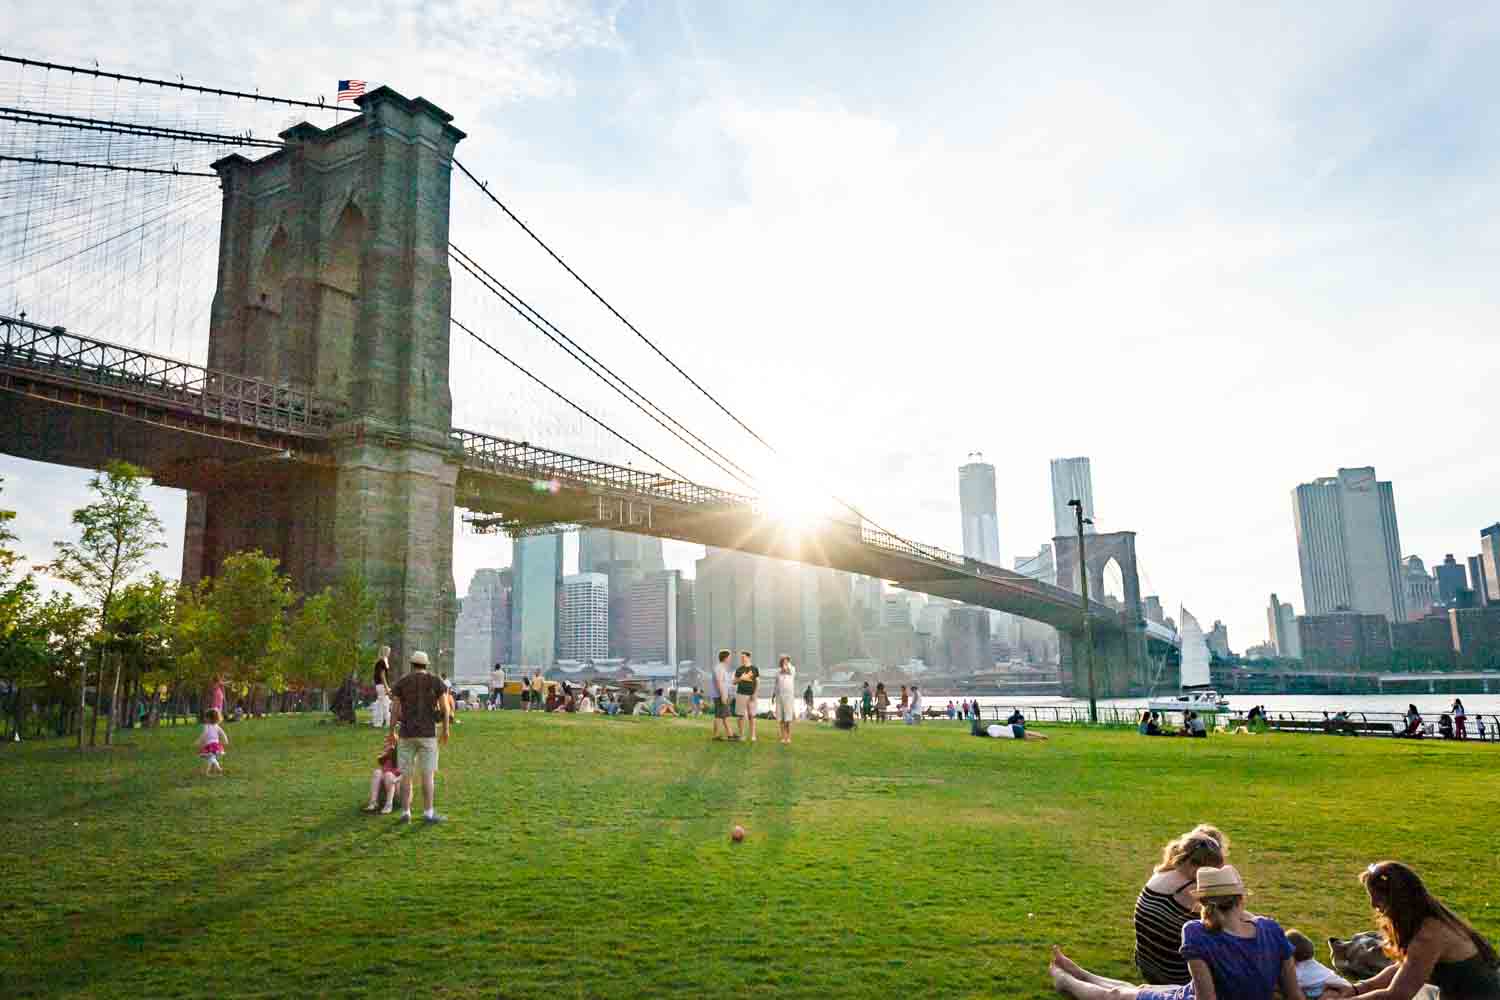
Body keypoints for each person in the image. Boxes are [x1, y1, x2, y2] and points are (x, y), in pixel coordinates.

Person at [1052, 864, 1304, 1000]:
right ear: (1241, 899)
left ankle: (1065, 980)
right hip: (1187, 993)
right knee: (1137, 989)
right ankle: (1077, 973)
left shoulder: (1197, 932)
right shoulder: (1271, 929)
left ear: (1202, 902)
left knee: (1117, 995)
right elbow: (1294, 995)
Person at [1322, 862, 1500, 1000]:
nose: (1373, 905)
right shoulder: (1429, 918)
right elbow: (1404, 968)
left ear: (1398, 899)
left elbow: (1398, 995)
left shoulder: (1428, 936)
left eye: (1377, 898)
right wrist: (1357, 989)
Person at [1133, 827, 1231, 986]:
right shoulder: (1190, 890)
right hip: (1174, 975)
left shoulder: (1162, 873)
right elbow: (1229, 928)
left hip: (1148, 965)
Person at [388, 650, 450, 824]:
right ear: (426, 665)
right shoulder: (435, 681)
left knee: (406, 776)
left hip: (406, 734)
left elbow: (395, 711)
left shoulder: (402, 682)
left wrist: (391, 731)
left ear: (411, 664)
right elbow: (445, 709)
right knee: (427, 775)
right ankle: (428, 813)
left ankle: (406, 812)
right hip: (427, 734)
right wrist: (445, 729)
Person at [1285, 929, 1349, 999]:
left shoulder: (1298, 970)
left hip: (1337, 989)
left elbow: (1290, 986)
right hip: (1342, 984)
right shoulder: (1312, 963)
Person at [362, 733, 402, 814]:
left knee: (389, 775)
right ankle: (373, 802)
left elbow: (406, 775)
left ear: (394, 744)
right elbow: (381, 774)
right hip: (387, 787)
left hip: (399, 789)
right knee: (377, 772)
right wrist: (385, 754)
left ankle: (389, 805)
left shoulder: (401, 757)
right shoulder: (385, 757)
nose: (384, 744)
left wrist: (395, 780)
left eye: (387, 742)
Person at [711, 649, 736, 742]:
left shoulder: (723, 668)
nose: (730, 659)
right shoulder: (719, 668)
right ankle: (718, 735)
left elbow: (726, 683)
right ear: (725, 658)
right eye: (729, 657)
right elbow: (719, 683)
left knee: (723, 715)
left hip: (722, 694)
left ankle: (729, 734)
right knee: (720, 715)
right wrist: (723, 695)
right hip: (720, 695)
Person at [734, 651, 759, 743]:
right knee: (741, 715)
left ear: (748, 657)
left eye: (743, 657)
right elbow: (734, 682)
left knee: (752, 715)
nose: (742, 659)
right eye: (741, 657)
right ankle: (741, 735)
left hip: (751, 695)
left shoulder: (754, 669)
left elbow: (757, 682)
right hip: (741, 694)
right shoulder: (739, 669)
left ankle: (753, 735)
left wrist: (755, 694)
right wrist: (741, 678)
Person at [198, 708, 228, 776]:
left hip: (210, 746)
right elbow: (223, 734)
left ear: (209, 718)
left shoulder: (207, 726)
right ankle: (214, 770)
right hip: (216, 746)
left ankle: (216, 769)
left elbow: (204, 734)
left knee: (211, 758)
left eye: (206, 717)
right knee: (212, 758)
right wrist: (226, 740)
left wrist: (199, 741)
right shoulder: (217, 726)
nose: (204, 719)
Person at [776, 656, 798, 744]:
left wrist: (786, 666)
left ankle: (788, 737)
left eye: (786, 661)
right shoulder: (778, 672)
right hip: (779, 696)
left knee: (788, 718)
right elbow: (776, 684)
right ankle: (783, 736)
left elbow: (788, 671)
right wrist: (774, 695)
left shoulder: (792, 669)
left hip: (789, 697)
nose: (785, 663)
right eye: (783, 661)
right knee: (781, 718)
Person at [371, 646, 392, 728]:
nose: (389, 653)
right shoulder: (382, 661)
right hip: (382, 685)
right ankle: (387, 722)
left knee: (381, 703)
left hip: (379, 685)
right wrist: (386, 687)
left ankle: (378, 722)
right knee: (385, 703)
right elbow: (382, 675)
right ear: (385, 652)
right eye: (389, 652)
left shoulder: (381, 661)